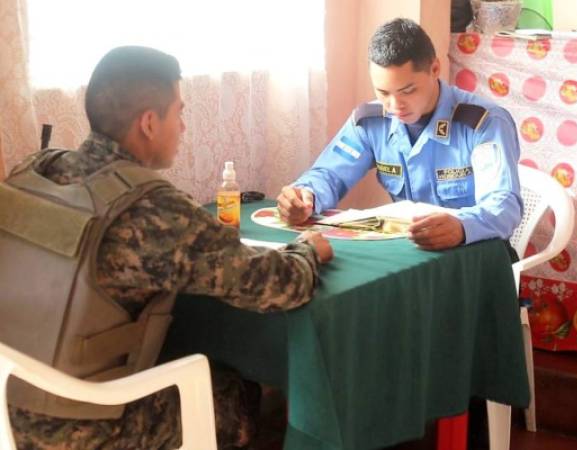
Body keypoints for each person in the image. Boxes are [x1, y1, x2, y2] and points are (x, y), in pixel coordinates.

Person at [2, 46, 333, 449]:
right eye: (179, 112)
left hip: (8, 403)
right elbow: (279, 286)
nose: (183, 126)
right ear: (148, 123)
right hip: (81, 428)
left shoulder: (34, 170)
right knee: (239, 393)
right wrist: (308, 251)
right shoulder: (149, 207)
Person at [278, 17, 522, 251]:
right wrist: (306, 196)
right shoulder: (370, 122)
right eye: (383, 92)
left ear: (435, 68)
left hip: (474, 255)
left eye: (407, 90)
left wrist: (462, 227)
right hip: (412, 252)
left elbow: (504, 205)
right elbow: (330, 174)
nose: (395, 105)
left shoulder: (483, 123)